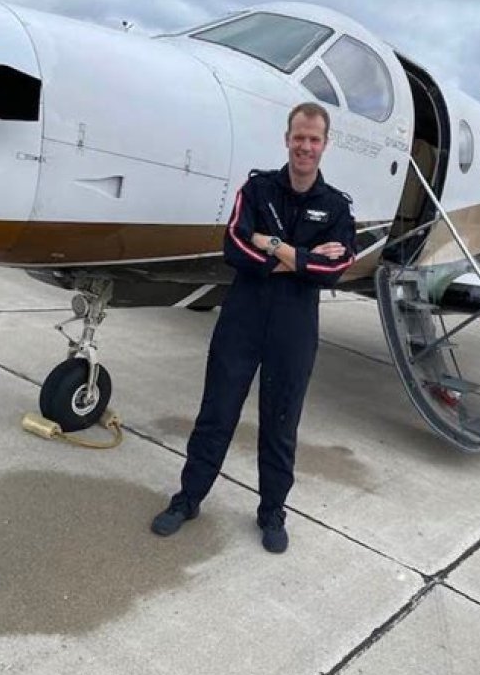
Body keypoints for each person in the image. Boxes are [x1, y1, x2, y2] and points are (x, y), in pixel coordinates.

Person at [151, 102, 356, 553]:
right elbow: (235, 247)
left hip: (294, 329)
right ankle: (188, 499)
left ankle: (272, 512)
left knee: (281, 423)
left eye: (314, 139)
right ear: (287, 139)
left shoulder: (336, 207)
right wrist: (302, 258)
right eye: (299, 137)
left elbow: (335, 269)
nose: (305, 146)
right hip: (242, 319)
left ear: (325, 144)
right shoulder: (258, 188)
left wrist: (273, 244)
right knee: (216, 413)